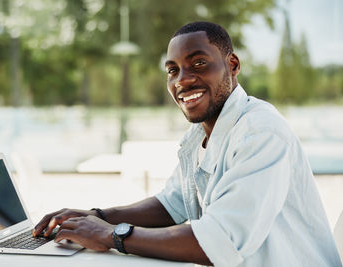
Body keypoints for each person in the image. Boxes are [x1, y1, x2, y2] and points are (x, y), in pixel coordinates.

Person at [33, 22, 342, 266]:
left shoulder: (260, 132)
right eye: (173, 70)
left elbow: (220, 241)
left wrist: (112, 235)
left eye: (198, 63)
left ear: (232, 65)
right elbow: (173, 204)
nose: (181, 80)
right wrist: (96, 216)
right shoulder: (199, 137)